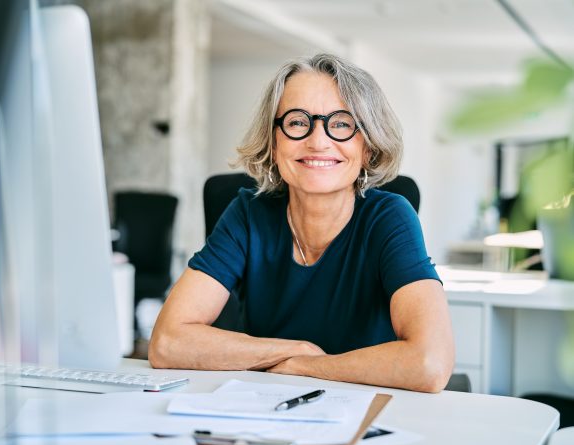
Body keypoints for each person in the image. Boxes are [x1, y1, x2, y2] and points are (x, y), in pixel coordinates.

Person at [148, 53, 454, 393]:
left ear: (367, 146)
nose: (318, 141)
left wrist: (309, 367)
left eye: (341, 123)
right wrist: (294, 349)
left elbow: (430, 363)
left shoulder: (389, 217)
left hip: (365, 411)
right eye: (296, 122)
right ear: (274, 141)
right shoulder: (248, 213)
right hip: (265, 406)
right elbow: (167, 342)